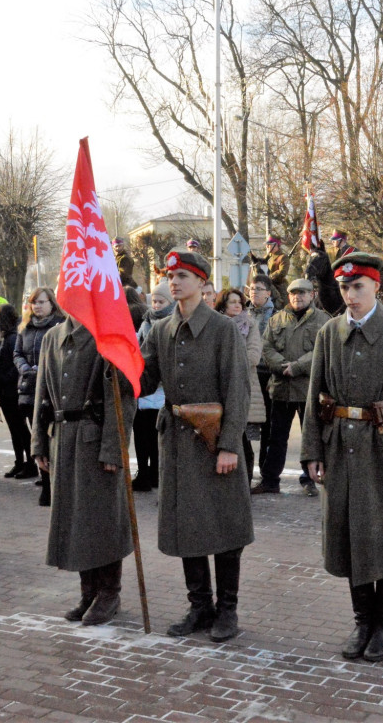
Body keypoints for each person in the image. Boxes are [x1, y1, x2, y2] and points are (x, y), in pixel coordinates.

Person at [301, 252, 383, 662]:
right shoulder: (329, 333)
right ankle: (362, 621)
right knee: (347, 535)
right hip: (340, 447)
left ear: (377, 286)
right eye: (344, 287)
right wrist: (312, 450)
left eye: (358, 286)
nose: (351, 295)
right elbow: (314, 395)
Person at [139, 249, 253, 643]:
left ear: (203, 283)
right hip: (176, 443)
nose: (174, 282)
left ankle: (227, 610)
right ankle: (199, 605)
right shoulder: (160, 330)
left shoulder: (222, 329)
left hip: (212, 442)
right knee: (187, 523)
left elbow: (237, 390)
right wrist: (120, 363)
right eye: (171, 277)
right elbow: (145, 381)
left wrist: (229, 446)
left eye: (183, 276)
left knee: (224, 525)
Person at [32, 313, 137, 625]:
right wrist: (39, 441)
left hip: (94, 438)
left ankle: (109, 593)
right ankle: (88, 591)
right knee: (74, 517)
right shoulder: (52, 336)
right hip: (62, 438)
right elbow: (43, 393)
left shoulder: (107, 334)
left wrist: (113, 449)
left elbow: (122, 398)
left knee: (102, 517)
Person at [254, 278, 330, 496]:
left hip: (308, 390)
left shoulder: (323, 321)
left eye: (302, 293)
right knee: (276, 438)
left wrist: (296, 367)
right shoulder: (276, 320)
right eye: (294, 293)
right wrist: (281, 366)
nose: (298, 297)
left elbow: (321, 352)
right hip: (281, 388)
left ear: (312, 295)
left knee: (311, 437)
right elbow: (266, 347)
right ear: (288, 296)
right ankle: (270, 480)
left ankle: (309, 479)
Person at [14, 287, 66, 499]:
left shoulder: (59, 326)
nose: (37, 306)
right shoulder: (25, 327)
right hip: (29, 388)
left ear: (52, 304)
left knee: (51, 438)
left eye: (42, 302)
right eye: (34, 302)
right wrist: (25, 368)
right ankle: (45, 484)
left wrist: (45, 370)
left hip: (51, 391)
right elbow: (17, 353)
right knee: (38, 438)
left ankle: (55, 485)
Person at [215, 288, 266, 481]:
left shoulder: (249, 324)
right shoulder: (215, 326)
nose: (237, 305)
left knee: (242, 438)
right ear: (223, 305)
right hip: (219, 388)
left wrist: (227, 361)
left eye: (240, 302)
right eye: (232, 302)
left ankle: (245, 480)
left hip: (245, 386)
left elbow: (253, 355)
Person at [132, 282, 173, 492]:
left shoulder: (173, 322)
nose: (156, 305)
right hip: (143, 389)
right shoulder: (146, 322)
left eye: (161, 301)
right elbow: (139, 348)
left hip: (162, 391)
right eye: (154, 301)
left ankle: (157, 473)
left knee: (157, 436)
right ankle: (143, 472)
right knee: (141, 434)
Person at [0, 304, 32, 479]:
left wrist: (0, 378)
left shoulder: (10, 339)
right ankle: (22, 462)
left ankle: (26, 463)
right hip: (13, 389)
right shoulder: (15, 335)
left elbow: (10, 366)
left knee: (18, 429)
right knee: (19, 429)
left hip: (10, 390)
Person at [247, 274, 277, 473]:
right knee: (245, 423)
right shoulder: (244, 313)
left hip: (267, 374)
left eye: (258, 288)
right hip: (248, 374)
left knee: (268, 424)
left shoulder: (277, 315)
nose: (254, 292)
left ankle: (265, 470)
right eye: (251, 288)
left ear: (268, 292)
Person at [265, 236, 290, 308]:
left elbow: (282, 272)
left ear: (276, 245)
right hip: (266, 284)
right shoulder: (267, 257)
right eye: (267, 244)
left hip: (279, 285)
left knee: (285, 305)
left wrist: (269, 278)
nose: (267, 246)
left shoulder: (283, 257)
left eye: (269, 244)